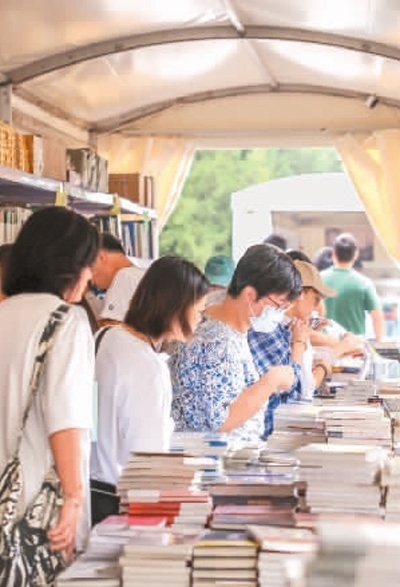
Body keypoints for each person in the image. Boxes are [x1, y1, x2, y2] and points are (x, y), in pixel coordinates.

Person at [0, 206, 99, 560]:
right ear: (69, 265)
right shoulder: (66, 321)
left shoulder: (4, 312)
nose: (91, 276)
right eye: (88, 264)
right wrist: (73, 498)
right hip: (36, 507)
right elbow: (66, 418)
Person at [90, 255, 209, 523]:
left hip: (91, 489)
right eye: (198, 312)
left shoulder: (105, 337)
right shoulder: (147, 365)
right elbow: (148, 459)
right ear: (176, 307)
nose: (199, 321)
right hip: (122, 502)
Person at [170, 244, 302, 443]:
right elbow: (218, 421)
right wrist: (271, 381)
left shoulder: (231, 328)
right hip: (214, 457)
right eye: (278, 305)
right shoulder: (213, 343)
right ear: (250, 295)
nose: (278, 314)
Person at [248, 260, 361, 437]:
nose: (316, 307)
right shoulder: (273, 330)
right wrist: (308, 348)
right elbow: (302, 390)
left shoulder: (293, 328)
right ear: (300, 293)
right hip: (274, 431)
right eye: (315, 300)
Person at [321, 233, 384, 340]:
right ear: (356, 254)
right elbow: (377, 317)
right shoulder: (364, 283)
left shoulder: (319, 279)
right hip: (354, 345)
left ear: (334, 254)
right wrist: (378, 341)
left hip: (324, 344)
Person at [89, 233, 145, 324]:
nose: (89, 279)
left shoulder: (124, 276)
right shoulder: (141, 274)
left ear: (100, 257)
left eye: (89, 268)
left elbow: (109, 328)